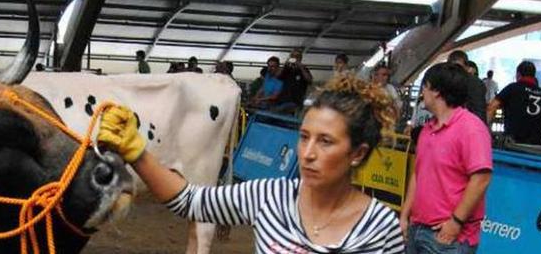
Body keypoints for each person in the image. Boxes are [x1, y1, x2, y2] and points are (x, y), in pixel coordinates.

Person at [98, 75, 403, 253]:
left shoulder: (379, 227)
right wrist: (136, 151)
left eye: (325, 142)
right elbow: (190, 201)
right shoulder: (270, 195)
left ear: (357, 154)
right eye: (304, 137)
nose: (307, 153)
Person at [401, 62, 492, 254]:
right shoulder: (427, 130)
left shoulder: (471, 129)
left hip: (449, 238)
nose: (421, 93)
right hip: (417, 228)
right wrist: (405, 215)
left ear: (436, 91)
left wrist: (455, 222)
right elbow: (418, 174)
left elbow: (481, 179)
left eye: (424, 87)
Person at [487, 61, 541, 145]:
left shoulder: (512, 88)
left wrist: (485, 130)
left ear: (518, 74)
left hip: (512, 143)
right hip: (536, 146)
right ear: (534, 75)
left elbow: (491, 107)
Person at [446, 50, 487, 123]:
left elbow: (479, 112)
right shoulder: (446, 81)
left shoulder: (474, 83)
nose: (456, 71)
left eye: (458, 68)